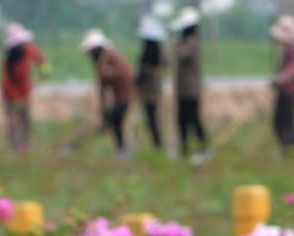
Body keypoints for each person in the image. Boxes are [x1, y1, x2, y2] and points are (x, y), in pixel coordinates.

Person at [80, 30, 133, 157]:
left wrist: (107, 75)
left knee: (116, 121)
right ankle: (121, 147)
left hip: (123, 96)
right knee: (115, 122)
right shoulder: (104, 60)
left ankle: (122, 148)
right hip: (119, 97)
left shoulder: (109, 59)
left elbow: (122, 74)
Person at [0, 23, 45, 153]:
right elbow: (9, 83)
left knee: (25, 118)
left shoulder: (30, 50)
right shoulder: (9, 61)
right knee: (12, 119)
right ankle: (15, 146)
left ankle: (25, 144)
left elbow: (43, 62)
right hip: (10, 94)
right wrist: (16, 100)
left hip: (25, 92)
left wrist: (43, 75)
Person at [172, 7, 207, 161]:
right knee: (182, 121)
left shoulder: (192, 42)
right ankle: (184, 149)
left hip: (191, 91)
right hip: (183, 90)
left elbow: (181, 54)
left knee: (194, 119)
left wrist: (174, 43)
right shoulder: (187, 42)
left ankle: (204, 147)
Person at [270, 15, 294, 153]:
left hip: (290, 93)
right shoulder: (288, 51)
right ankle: (288, 149)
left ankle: (290, 150)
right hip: (285, 92)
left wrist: (279, 79)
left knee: (286, 125)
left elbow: (292, 71)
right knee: (280, 124)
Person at [135, 15, 166, 153]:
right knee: (153, 119)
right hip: (156, 91)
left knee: (151, 118)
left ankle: (157, 144)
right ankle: (157, 143)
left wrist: (136, 81)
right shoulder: (161, 54)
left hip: (148, 91)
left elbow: (141, 75)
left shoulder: (147, 54)